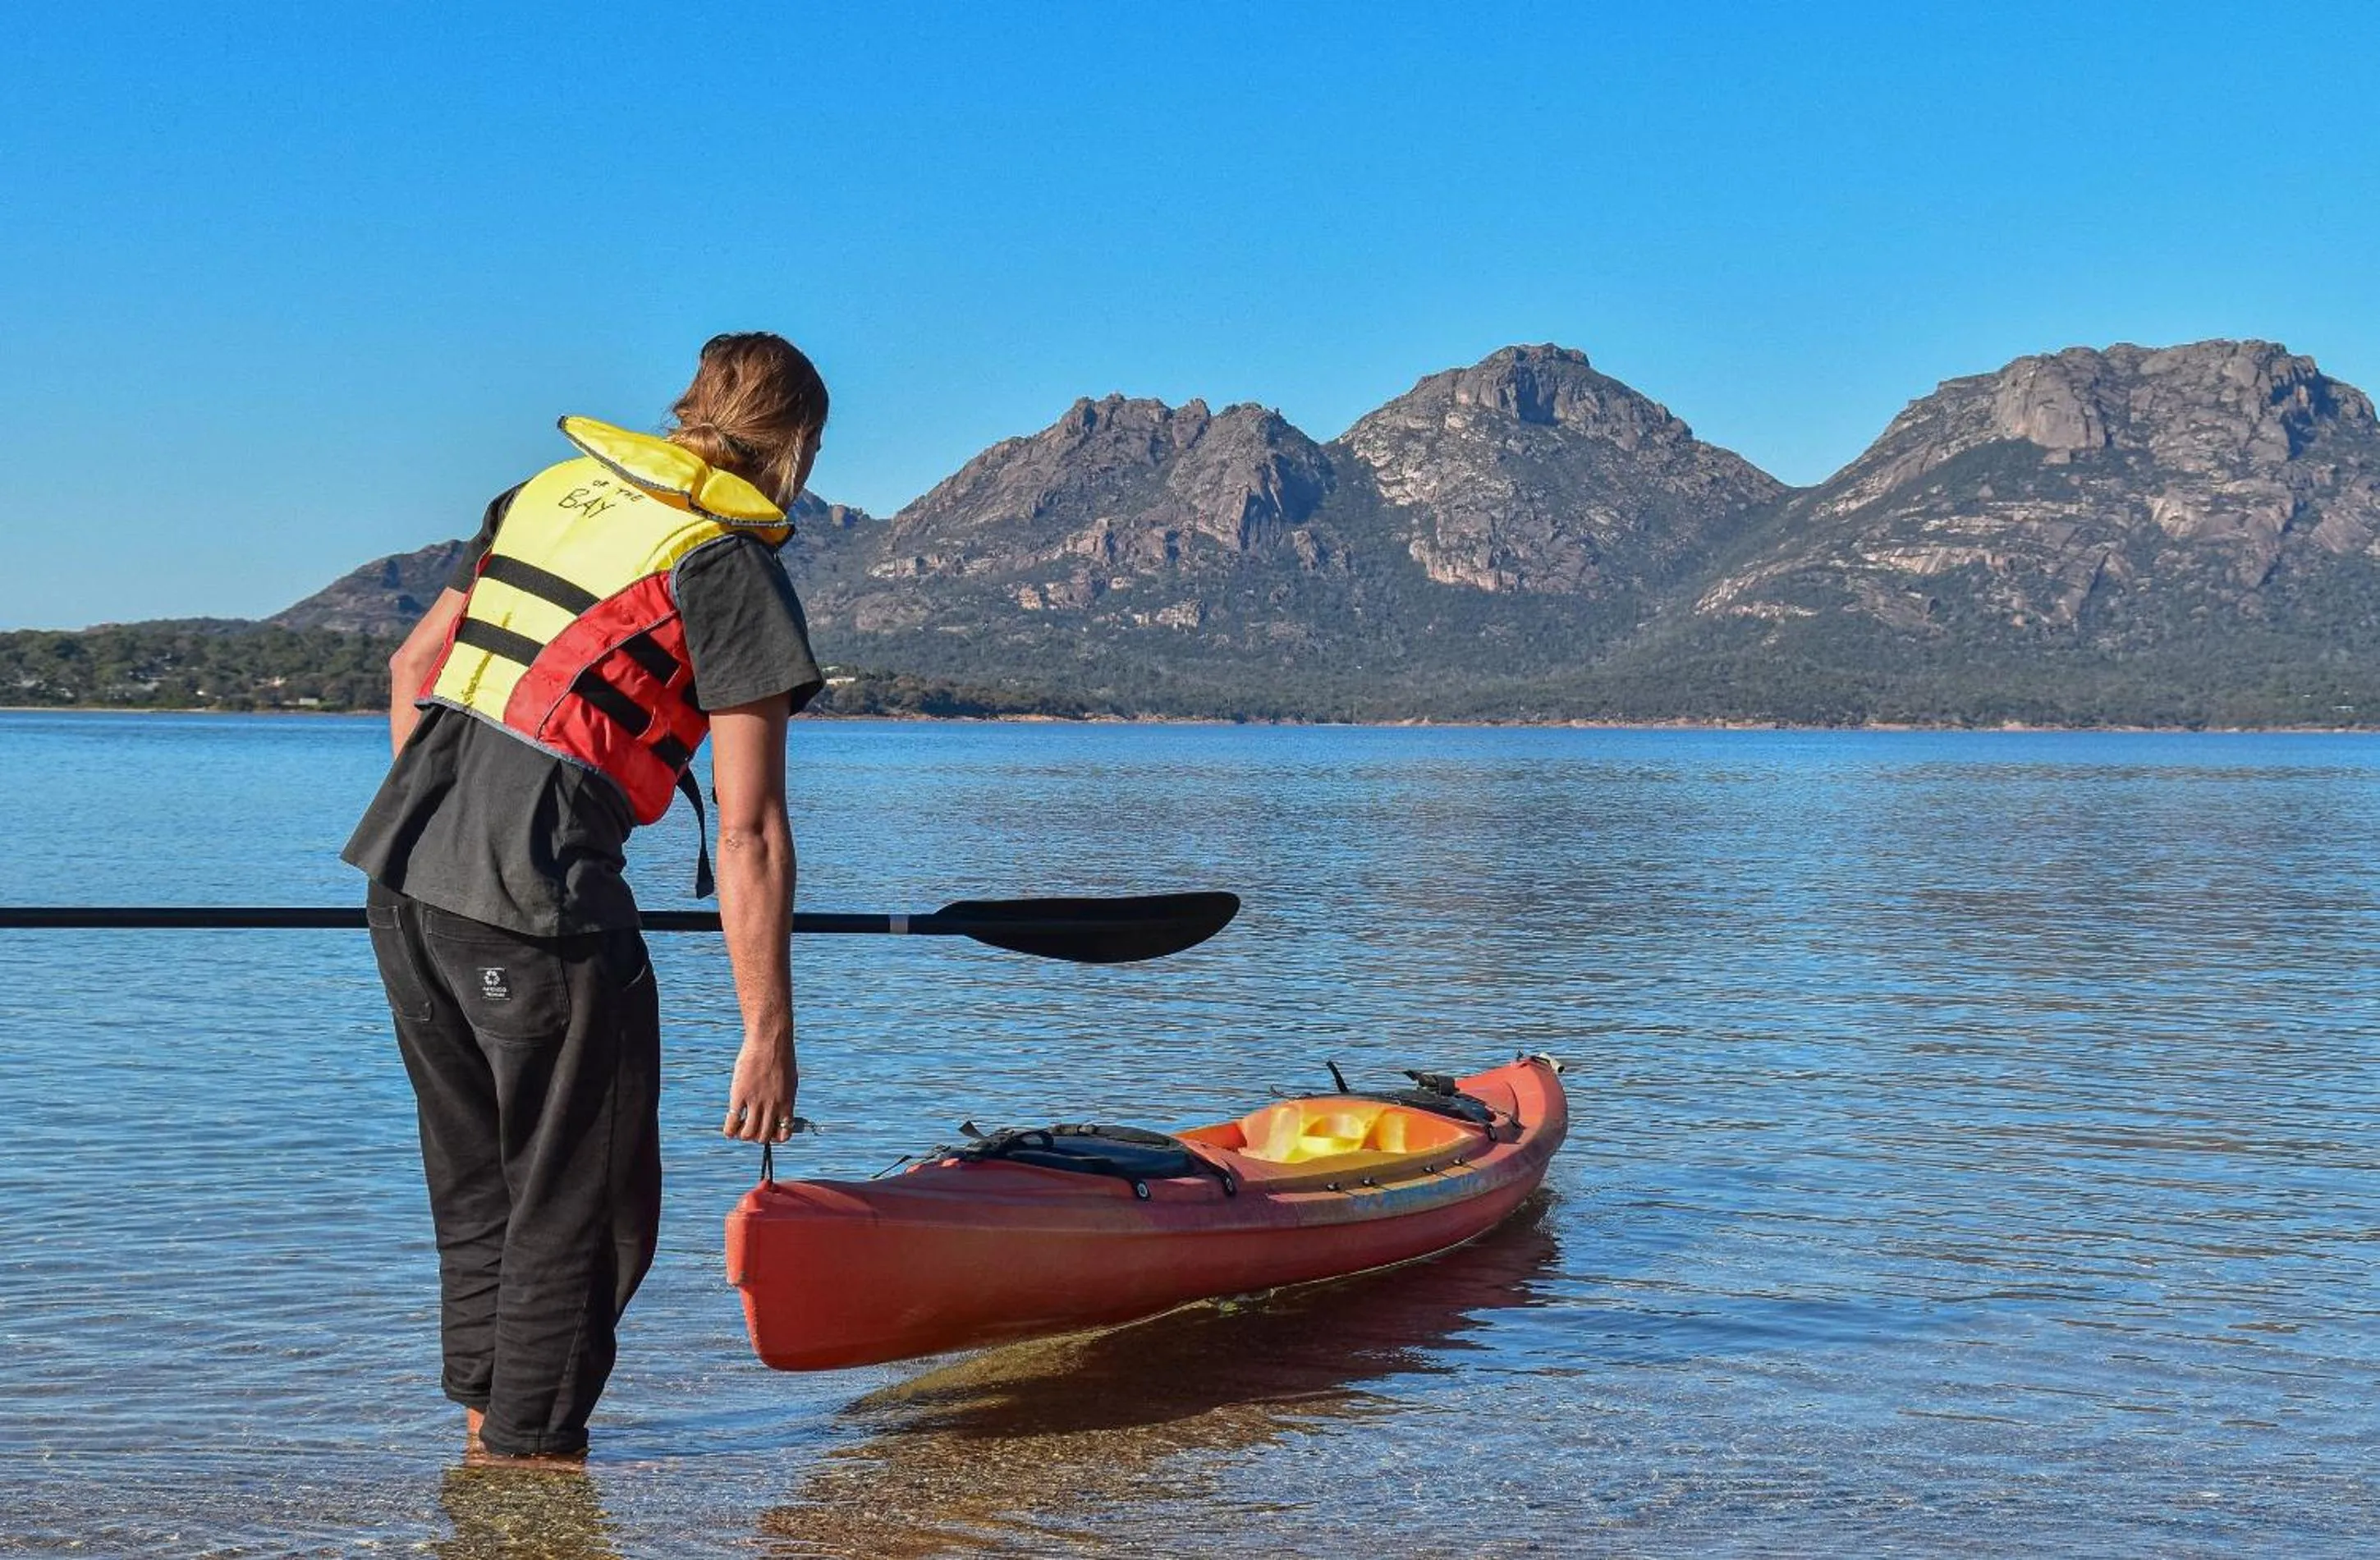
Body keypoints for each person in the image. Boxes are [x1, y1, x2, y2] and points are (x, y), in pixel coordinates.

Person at [343, 333, 829, 1466]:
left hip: (404, 875)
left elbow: (416, 670)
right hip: (533, 904)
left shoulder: (542, 491)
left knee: (482, 1190)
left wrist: (447, 830)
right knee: (586, 1211)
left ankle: (485, 1446)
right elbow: (750, 830)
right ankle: (527, 1483)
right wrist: (767, 1036)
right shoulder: (722, 563)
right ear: (795, 445)